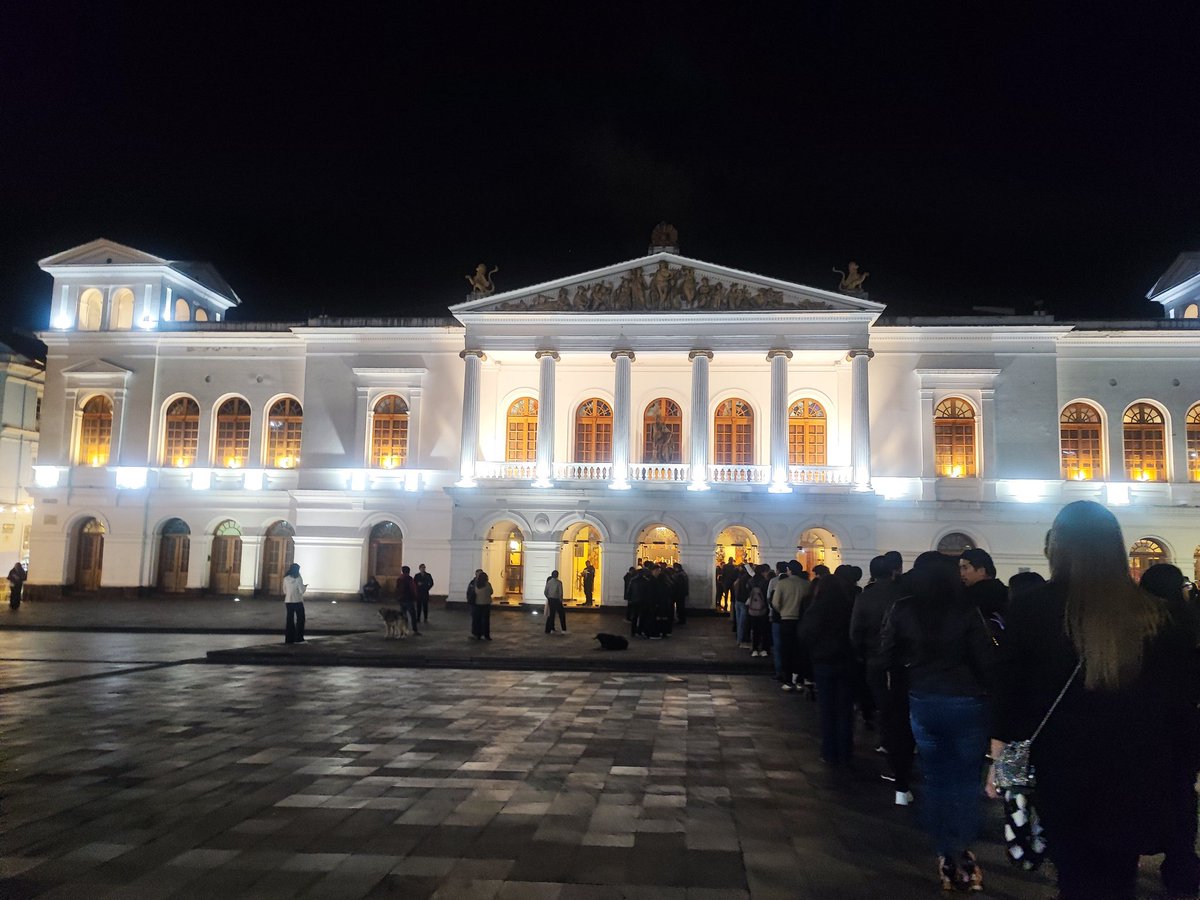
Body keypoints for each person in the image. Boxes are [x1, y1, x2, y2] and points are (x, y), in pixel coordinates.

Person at [989, 501, 1197, 900]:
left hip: (1062, 769)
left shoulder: (1033, 610)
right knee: (1118, 875)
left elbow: (1009, 691)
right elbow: (1181, 705)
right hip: (1139, 768)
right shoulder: (1160, 615)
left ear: (1058, 547)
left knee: (1075, 871)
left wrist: (1001, 758)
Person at [882, 551, 996, 892]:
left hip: (924, 700)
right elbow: (985, 660)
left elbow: (885, 654)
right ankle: (963, 850)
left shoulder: (903, 608)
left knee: (935, 776)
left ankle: (944, 852)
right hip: (967, 702)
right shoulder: (966, 610)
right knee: (965, 779)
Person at [1138, 563, 1200, 900]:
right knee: (1181, 795)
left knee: (1136, 790)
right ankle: (1181, 866)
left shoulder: (1135, 627)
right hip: (1182, 724)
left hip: (1139, 724)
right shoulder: (1188, 624)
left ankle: (1132, 850)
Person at [852, 555, 913, 802]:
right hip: (903, 661)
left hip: (874, 659)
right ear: (895, 571)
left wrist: (861, 654)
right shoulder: (904, 595)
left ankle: (889, 746)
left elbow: (855, 631)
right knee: (902, 707)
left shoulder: (865, 597)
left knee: (886, 707)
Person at [799, 571, 858, 766]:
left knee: (827, 708)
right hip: (846, 662)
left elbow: (805, 634)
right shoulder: (849, 608)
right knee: (844, 709)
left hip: (823, 662)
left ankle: (829, 751)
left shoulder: (816, 609)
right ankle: (845, 751)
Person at [772, 560, 810, 690]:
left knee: (786, 650)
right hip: (802, 620)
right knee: (800, 650)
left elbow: (775, 603)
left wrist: (783, 611)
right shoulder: (806, 584)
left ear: (789, 570)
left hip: (787, 619)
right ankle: (799, 679)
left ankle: (788, 680)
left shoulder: (782, 583)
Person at [960, 548, 1008, 643]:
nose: (961, 573)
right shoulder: (1007, 592)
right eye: (960, 568)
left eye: (965, 568)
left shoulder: (969, 598)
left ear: (981, 571)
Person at [746, 565, 771, 656]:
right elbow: (768, 596)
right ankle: (764, 649)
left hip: (752, 608)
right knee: (764, 630)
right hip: (763, 609)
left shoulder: (750, 581)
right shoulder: (766, 582)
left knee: (754, 629)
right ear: (763, 572)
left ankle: (755, 649)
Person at [282, 562, 307, 644]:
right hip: (298, 601)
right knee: (300, 619)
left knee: (290, 620)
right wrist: (305, 587)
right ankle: (299, 638)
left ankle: (289, 639)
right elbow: (301, 590)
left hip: (288, 601)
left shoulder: (286, 578)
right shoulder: (298, 578)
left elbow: (284, 590)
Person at [395, 565, 421, 635]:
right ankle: (414, 630)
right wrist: (415, 597)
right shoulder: (410, 579)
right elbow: (413, 589)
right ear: (409, 571)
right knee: (413, 615)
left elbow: (397, 589)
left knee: (403, 616)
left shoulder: (399, 579)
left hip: (401, 599)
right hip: (409, 599)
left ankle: (404, 630)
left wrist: (398, 597)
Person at [470, 571, 492, 640]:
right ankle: (486, 635)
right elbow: (491, 592)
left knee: (478, 620)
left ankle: (478, 634)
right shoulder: (488, 584)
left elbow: (474, 593)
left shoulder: (476, 584)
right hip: (486, 604)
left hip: (478, 604)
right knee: (486, 621)